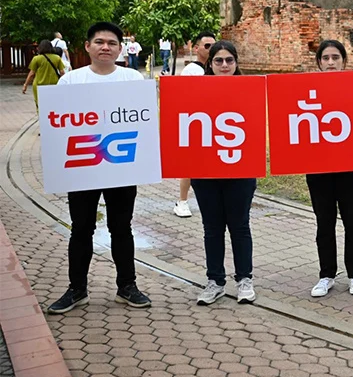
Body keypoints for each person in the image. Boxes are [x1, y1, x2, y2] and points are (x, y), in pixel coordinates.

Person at [46, 22, 152, 314]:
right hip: (82, 169)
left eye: (111, 43)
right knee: (81, 228)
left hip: (121, 168)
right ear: (87, 46)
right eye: (99, 42)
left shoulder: (132, 78)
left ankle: (127, 286)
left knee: (122, 228)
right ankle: (77, 289)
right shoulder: (70, 81)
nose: (105, 47)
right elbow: (59, 125)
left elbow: (143, 121)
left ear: (121, 48)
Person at [193, 40, 258, 306]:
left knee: (240, 226)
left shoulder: (250, 90)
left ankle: (244, 279)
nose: (224, 65)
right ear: (210, 64)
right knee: (212, 228)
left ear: (236, 63)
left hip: (240, 167)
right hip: (205, 168)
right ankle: (215, 281)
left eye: (229, 60)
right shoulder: (195, 90)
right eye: (218, 61)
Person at [306, 40, 353, 298]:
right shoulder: (306, 89)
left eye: (335, 57)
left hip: (350, 166)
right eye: (326, 57)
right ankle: (326, 275)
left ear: (344, 61)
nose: (331, 62)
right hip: (318, 168)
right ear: (319, 62)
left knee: (352, 221)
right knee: (324, 223)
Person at [174, 32, 216, 217]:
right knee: (190, 165)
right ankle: (182, 201)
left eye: (213, 46)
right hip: (197, 122)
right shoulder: (191, 70)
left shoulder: (218, 67)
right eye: (207, 46)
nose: (211, 49)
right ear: (196, 48)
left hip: (218, 124)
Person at [22, 40, 64, 111]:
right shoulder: (57, 58)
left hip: (39, 85)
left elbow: (32, 74)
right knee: (53, 103)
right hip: (54, 84)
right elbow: (62, 72)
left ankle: (42, 117)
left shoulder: (36, 59)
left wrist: (25, 85)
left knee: (40, 104)